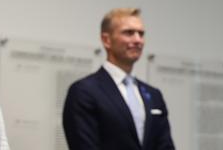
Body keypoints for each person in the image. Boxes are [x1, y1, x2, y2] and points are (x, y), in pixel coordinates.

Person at [62, 8, 175, 150]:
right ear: (106, 40)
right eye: (129, 33)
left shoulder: (154, 95)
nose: (138, 40)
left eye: (141, 34)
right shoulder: (84, 92)